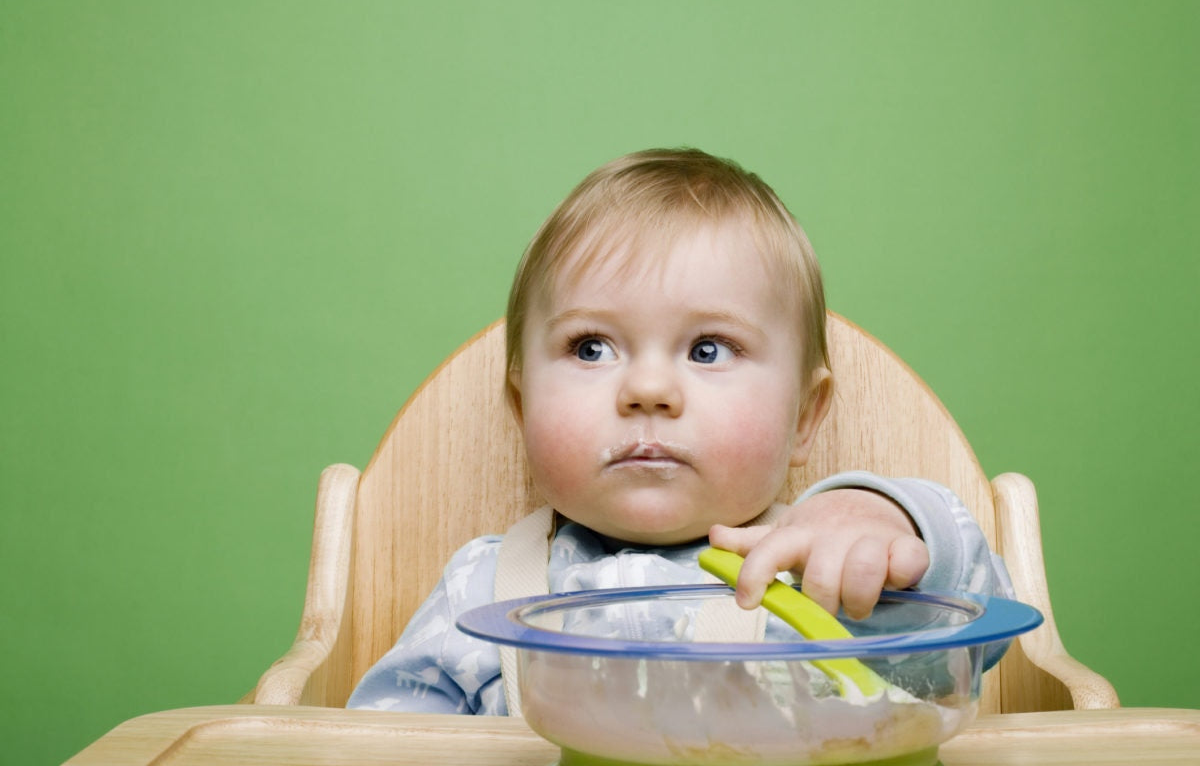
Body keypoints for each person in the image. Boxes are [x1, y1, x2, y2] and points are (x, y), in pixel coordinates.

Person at [347, 148, 1012, 714]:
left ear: (805, 418)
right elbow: (384, 736)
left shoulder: (820, 580)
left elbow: (976, 632)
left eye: (707, 350)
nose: (647, 391)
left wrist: (882, 521)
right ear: (522, 410)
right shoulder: (483, 589)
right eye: (590, 348)